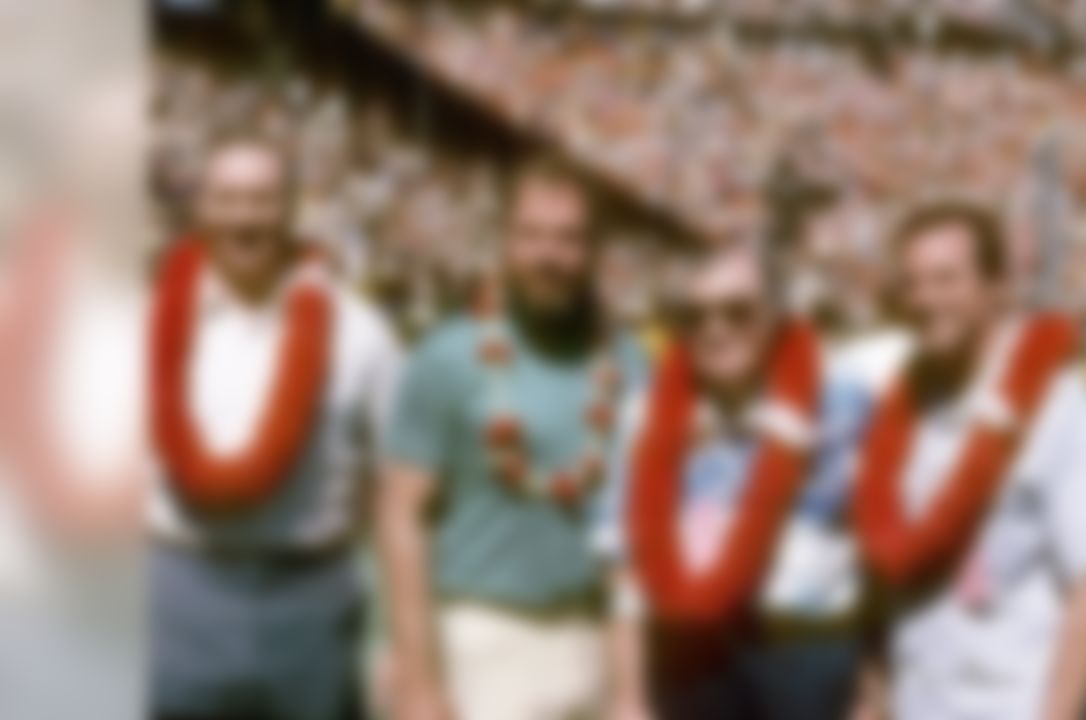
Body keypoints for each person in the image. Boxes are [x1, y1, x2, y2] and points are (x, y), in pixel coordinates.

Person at [380, 154, 645, 720]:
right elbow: (401, 513)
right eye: (531, 236)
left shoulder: (630, 364)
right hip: (481, 641)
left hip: (588, 641)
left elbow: (638, 536)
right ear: (504, 241)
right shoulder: (447, 354)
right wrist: (419, 676)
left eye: (569, 239)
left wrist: (629, 689)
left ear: (596, 250)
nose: (549, 256)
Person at [147, 137, 403, 720]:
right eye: (228, 198)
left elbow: (399, 488)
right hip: (179, 593)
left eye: (262, 200)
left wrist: (398, 641)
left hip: (310, 601)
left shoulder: (361, 334)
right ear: (201, 209)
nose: (244, 218)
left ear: (291, 208)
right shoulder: (143, 322)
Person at [850, 201, 1086, 720]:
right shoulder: (899, 411)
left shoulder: (1064, 410)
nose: (925, 299)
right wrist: (873, 695)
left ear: (996, 287)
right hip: (920, 700)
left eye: (946, 280)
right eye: (912, 283)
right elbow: (886, 570)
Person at [598, 241, 874, 720]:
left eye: (737, 312)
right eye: (696, 315)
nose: (716, 329)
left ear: (774, 315)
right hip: (691, 657)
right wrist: (628, 697)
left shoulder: (843, 402)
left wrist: (875, 688)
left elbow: (881, 558)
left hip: (805, 652)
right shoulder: (648, 413)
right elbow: (625, 566)